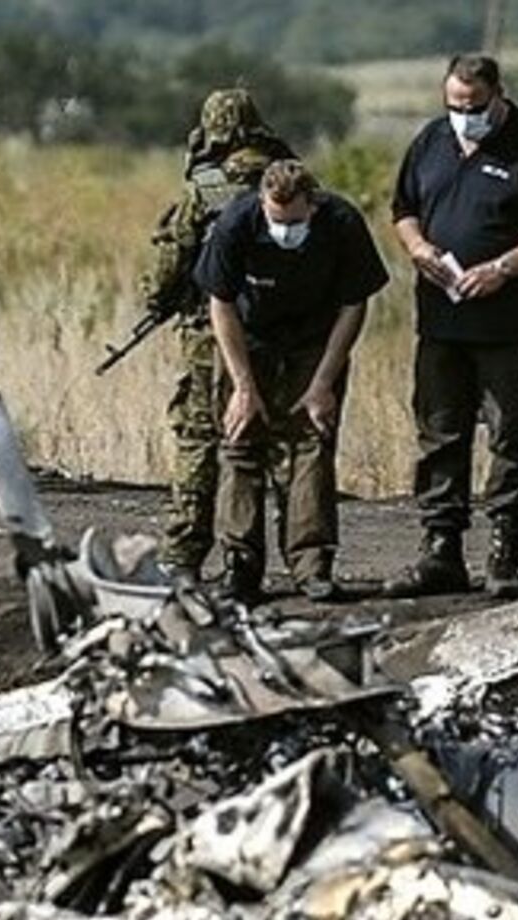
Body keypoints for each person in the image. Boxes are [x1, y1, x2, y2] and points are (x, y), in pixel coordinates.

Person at [384, 54, 518, 598]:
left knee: (508, 436)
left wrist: (502, 268)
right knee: (439, 433)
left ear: (498, 95)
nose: (464, 116)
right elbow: (403, 209)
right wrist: (418, 247)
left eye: (473, 106)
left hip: (508, 325)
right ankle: (440, 549)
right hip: (441, 319)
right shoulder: (430, 141)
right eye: (454, 104)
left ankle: (504, 551)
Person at [194, 160, 389, 604]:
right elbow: (220, 304)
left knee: (312, 441)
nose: (284, 230)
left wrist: (323, 382)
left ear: (312, 205)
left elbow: (354, 306)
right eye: (275, 220)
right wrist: (243, 387)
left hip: (316, 338)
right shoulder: (237, 222)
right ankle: (240, 564)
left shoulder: (341, 223)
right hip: (250, 336)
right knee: (240, 439)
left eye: (294, 221)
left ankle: (311, 564)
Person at [138, 89, 297, 578]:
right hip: (283, 333)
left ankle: (183, 555)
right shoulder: (289, 179)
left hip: (211, 334)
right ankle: (298, 559)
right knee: (281, 445)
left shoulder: (205, 188)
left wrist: (157, 302)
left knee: (200, 438)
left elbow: (171, 266)